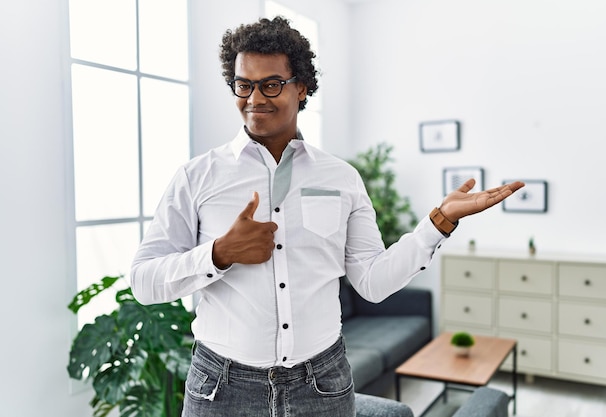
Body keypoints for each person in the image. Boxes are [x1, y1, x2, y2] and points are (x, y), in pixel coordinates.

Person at [130, 16, 524, 417]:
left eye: (270, 84)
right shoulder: (197, 176)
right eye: (243, 85)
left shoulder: (342, 177)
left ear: (301, 87)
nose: (254, 99)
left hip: (322, 385)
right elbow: (143, 282)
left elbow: (371, 280)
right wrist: (218, 254)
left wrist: (438, 222)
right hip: (222, 388)